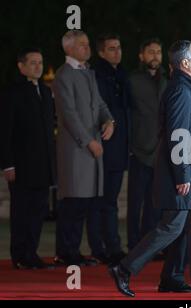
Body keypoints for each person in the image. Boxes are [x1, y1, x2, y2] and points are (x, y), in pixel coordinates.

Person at [109, 40, 191, 298]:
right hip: (185, 174)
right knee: (171, 228)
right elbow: (177, 135)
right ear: (185, 64)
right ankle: (123, 269)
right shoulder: (180, 91)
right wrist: (182, 175)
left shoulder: (187, 88)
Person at [52, 30, 115, 266]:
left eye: (88, 44)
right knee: (72, 203)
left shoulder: (88, 73)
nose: (86, 48)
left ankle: (74, 252)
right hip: (76, 151)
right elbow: (68, 115)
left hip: (92, 148)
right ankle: (65, 253)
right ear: (68, 48)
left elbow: (99, 104)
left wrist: (110, 121)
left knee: (86, 203)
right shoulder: (63, 76)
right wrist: (88, 141)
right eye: (81, 45)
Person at [0, 48, 56, 269]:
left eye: (40, 62)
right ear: (21, 66)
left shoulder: (44, 91)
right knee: (21, 212)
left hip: (43, 166)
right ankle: (19, 255)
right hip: (21, 166)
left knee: (38, 212)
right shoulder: (12, 93)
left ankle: (31, 253)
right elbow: (5, 131)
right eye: (32, 63)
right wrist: (7, 164)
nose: (38, 66)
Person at [89, 34, 130, 264]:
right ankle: (99, 247)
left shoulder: (122, 75)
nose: (117, 52)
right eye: (111, 48)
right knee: (99, 201)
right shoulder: (96, 76)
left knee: (110, 201)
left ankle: (113, 246)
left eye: (119, 47)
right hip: (103, 147)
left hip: (119, 148)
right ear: (101, 52)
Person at [127, 39, 166, 253]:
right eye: (150, 51)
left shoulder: (166, 81)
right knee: (135, 204)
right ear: (141, 55)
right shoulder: (132, 81)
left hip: (160, 152)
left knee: (154, 204)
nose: (155, 56)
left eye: (158, 52)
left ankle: (150, 246)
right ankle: (133, 246)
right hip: (139, 151)